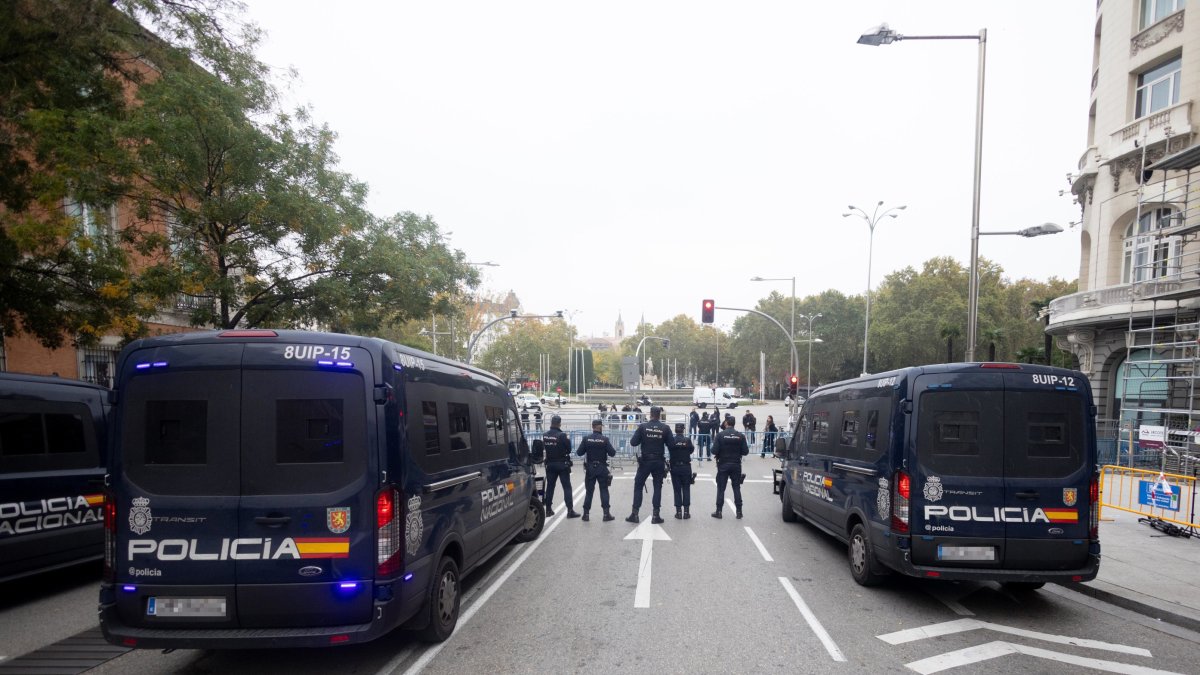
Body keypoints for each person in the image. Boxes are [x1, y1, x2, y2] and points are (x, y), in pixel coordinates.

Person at [626, 406, 673, 524]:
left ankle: (635, 514)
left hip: (645, 461)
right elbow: (671, 445)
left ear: (650, 414)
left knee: (638, 486)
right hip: (658, 461)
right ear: (659, 415)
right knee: (657, 487)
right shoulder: (665, 428)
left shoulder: (642, 427)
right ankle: (656, 515)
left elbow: (633, 442)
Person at [576, 418, 617, 522]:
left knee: (589, 491)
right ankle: (606, 514)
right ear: (600, 427)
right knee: (604, 490)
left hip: (590, 468)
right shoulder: (604, 439)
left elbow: (579, 452)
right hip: (602, 468)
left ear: (592, 427)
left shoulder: (586, 439)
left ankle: (586, 514)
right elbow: (612, 453)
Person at [541, 415, 580, 518]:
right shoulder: (562, 435)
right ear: (559, 423)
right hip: (562, 464)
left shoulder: (545, 435)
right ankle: (570, 511)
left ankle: (548, 510)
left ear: (551, 423)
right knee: (567, 487)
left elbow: (545, 447)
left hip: (550, 464)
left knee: (550, 487)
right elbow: (568, 449)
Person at [712, 416, 749, 519]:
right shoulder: (740, 436)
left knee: (721, 489)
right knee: (736, 487)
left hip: (723, 464)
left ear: (726, 423)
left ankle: (719, 511)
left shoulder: (720, 435)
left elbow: (714, 451)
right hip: (736, 464)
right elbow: (745, 451)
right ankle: (739, 512)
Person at [668, 422, 695, 519]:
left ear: (675, 430)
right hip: (686, 467)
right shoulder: (687, 440)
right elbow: (691, 450)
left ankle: (678, 512)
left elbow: (670, 449)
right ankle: (686, 512)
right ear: (683, 430)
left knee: (677, 490)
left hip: (675, 467)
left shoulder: (672, 440)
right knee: (686, 489)